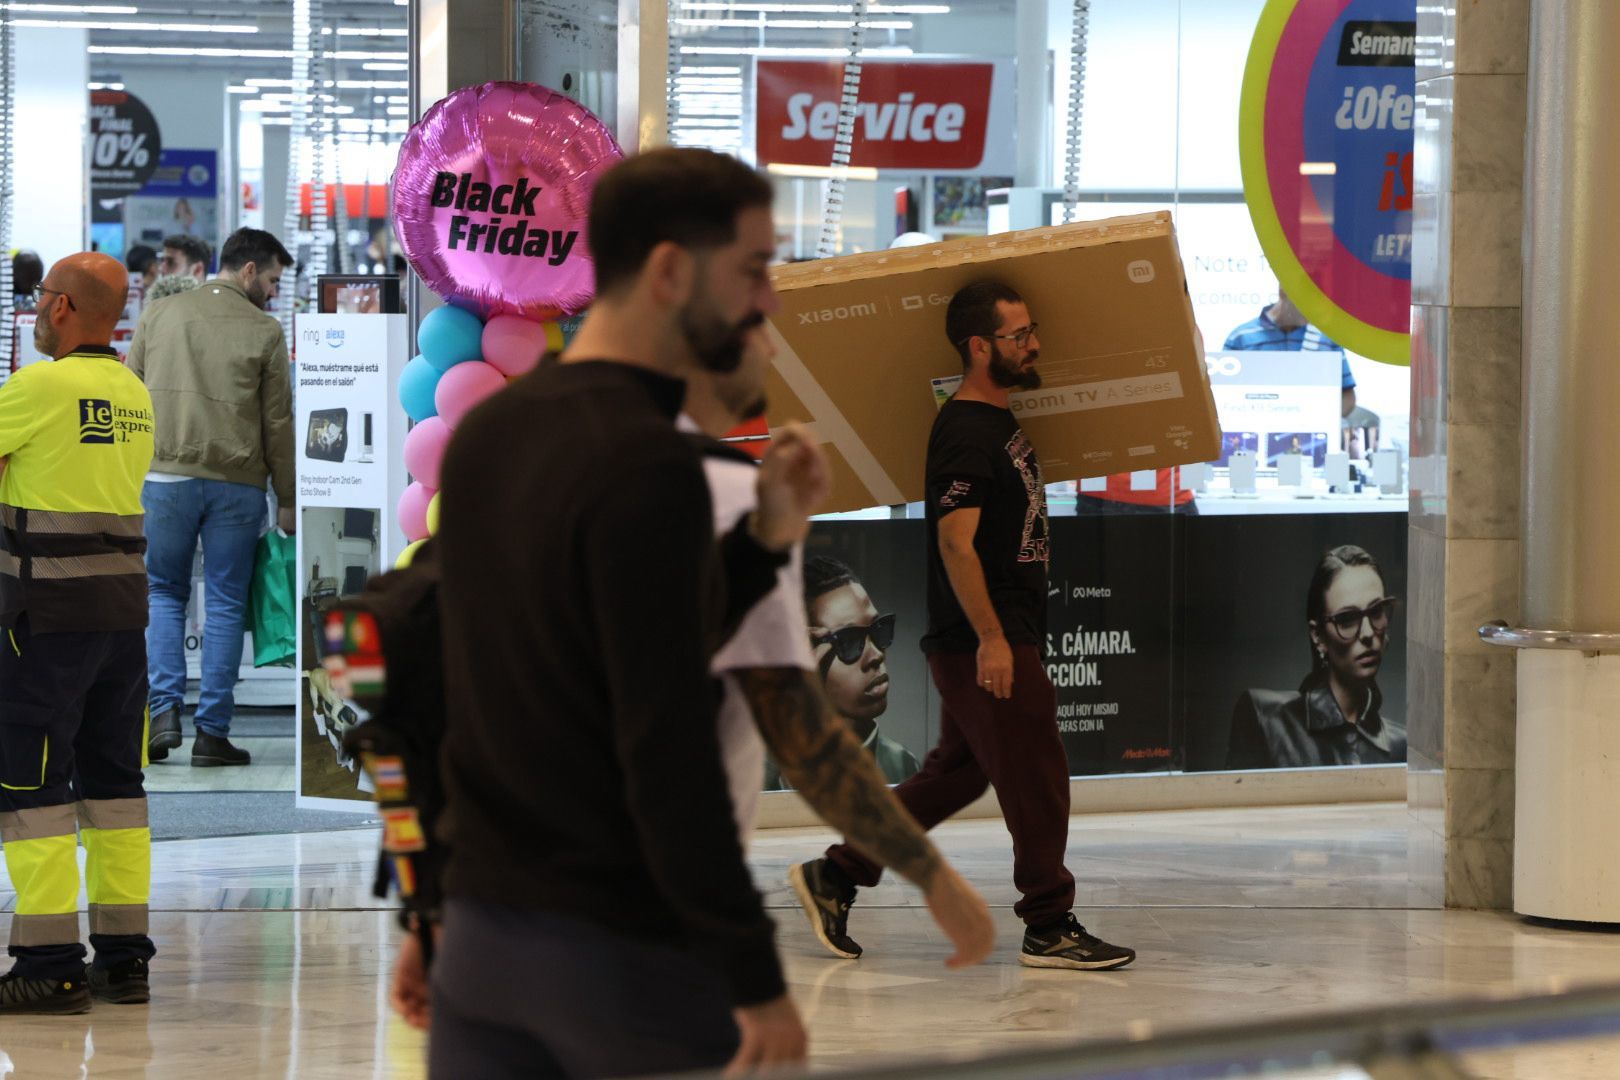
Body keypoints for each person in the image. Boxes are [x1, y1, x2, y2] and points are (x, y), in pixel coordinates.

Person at [426, 147, 827, 1079]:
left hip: (483, 939)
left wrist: (762, 541)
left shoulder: (493, 434)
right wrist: (752, 972)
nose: (767, 301)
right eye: (755, 270)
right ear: (670, 271)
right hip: (622, 956)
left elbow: (556, 658)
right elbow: (665, 744)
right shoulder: (651, 466)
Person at [790, 281, 1137, 972]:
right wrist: (993, 639)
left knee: (955, 776)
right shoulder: (966, 430)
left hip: (991, 636)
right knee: (1038, 775)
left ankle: (837, 873)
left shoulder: (997, 422)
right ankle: (1048, 923)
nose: (1033, 344)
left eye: (1032, 330)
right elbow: (956, 543)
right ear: (980, 347)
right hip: (983, 640)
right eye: (1017, 336)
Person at [0, 252, 157, 1013]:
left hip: (44, 625)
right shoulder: (133, 392)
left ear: (61, 308)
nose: (35, 310)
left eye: (39, 299)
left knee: (33, 788)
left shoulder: (36, 388)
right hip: (123, 623)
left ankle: (49, 957)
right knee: (117, 786)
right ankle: (125, 958)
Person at [128, 227, 296, 768]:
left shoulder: (160, 315)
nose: (273, 292)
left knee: (162, 593)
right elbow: (278, 423)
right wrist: (288, 497)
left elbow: (128, 392)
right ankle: (212, 734)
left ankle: (163, 713)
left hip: (164, 480)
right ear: (248, 270)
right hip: (237, 486)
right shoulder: (266, 332)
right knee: (224, 603)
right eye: (272, 279)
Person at [1225, 545, 1405, 769]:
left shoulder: (1401, 745)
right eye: (1347, 619)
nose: (1368, 634)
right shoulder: (1265, 718)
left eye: (1377, 612)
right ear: (1318, 636)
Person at [763, 555, 921, 790]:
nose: (876, 655)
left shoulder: (901, 764)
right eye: (849, 641)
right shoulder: (759, 771)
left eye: (879, 629)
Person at [1224, 285, 1357, 420]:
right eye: (1306, 303)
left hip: (1310, 435)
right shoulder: (1240, 338)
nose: (1312, 312)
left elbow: (1348, 397)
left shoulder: (1325, 337)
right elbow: (1222, 397)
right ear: (1283, 292)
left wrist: (1320, 421)